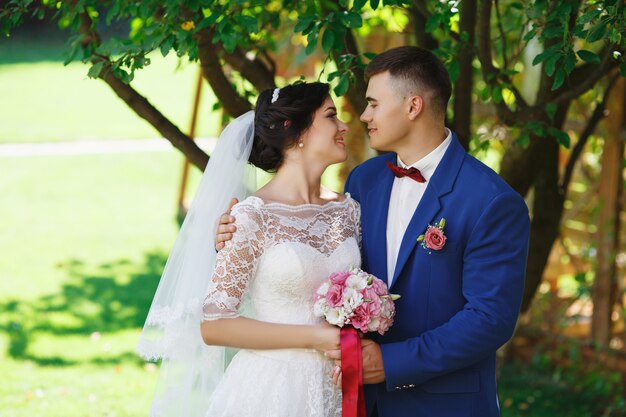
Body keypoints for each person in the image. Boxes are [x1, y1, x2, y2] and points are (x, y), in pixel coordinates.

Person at [216, 46, 531, 417]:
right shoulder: (365, 180)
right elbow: (317, 256)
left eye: (373, 104)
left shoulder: (491, 201)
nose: (363, 116)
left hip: (442, 404)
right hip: (352, 399)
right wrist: (234, 238)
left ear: (413, 107)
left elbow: (489, 319)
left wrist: (392, 362)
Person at [138, 82, 361, 417]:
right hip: (274, 390)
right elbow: (214, 325)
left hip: (343, 385)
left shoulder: (349, 211)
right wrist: (313, 337)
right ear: (295, 130)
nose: (344, 126)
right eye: (331, 116)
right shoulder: (252, 216)